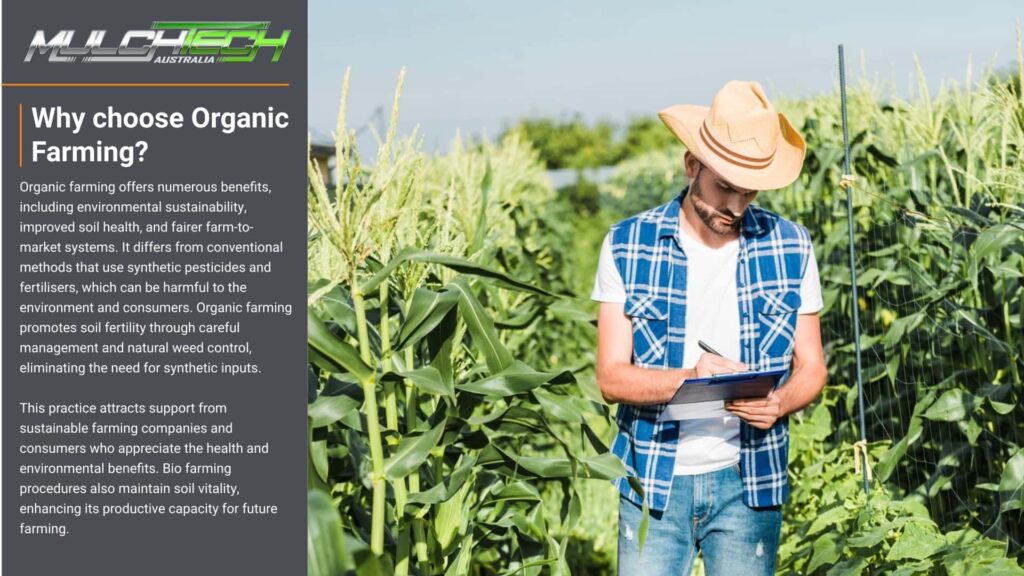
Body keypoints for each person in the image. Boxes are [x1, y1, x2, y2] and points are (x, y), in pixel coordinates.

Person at [591, 80, 827, 575]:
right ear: (691, 165)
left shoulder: (791, 245)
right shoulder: (627, 245)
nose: (737, 206)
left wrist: (780, 402)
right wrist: (691, 379)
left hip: (749, 482)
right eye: (725, 187)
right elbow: (611, 378)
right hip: (653, 479)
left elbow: (812, 366)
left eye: (749, 191)